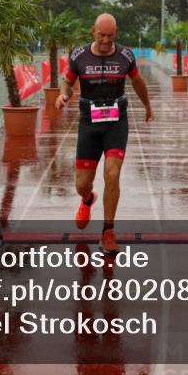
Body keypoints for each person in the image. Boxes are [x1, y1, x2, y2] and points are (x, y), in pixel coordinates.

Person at [56, 13, 153, 254]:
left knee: (112, 173)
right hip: (89, 122)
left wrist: (147, 105)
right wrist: (64, 94)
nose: (106, 40)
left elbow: (138, 82)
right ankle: (88, 199)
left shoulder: (125, 56)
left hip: (116, 122)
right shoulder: (79, 55)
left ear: (116, 33)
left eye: (110, 36)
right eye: (102, 35)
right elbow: (67, 82)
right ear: (93, 32)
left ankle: (108, 233)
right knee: (82, 184)